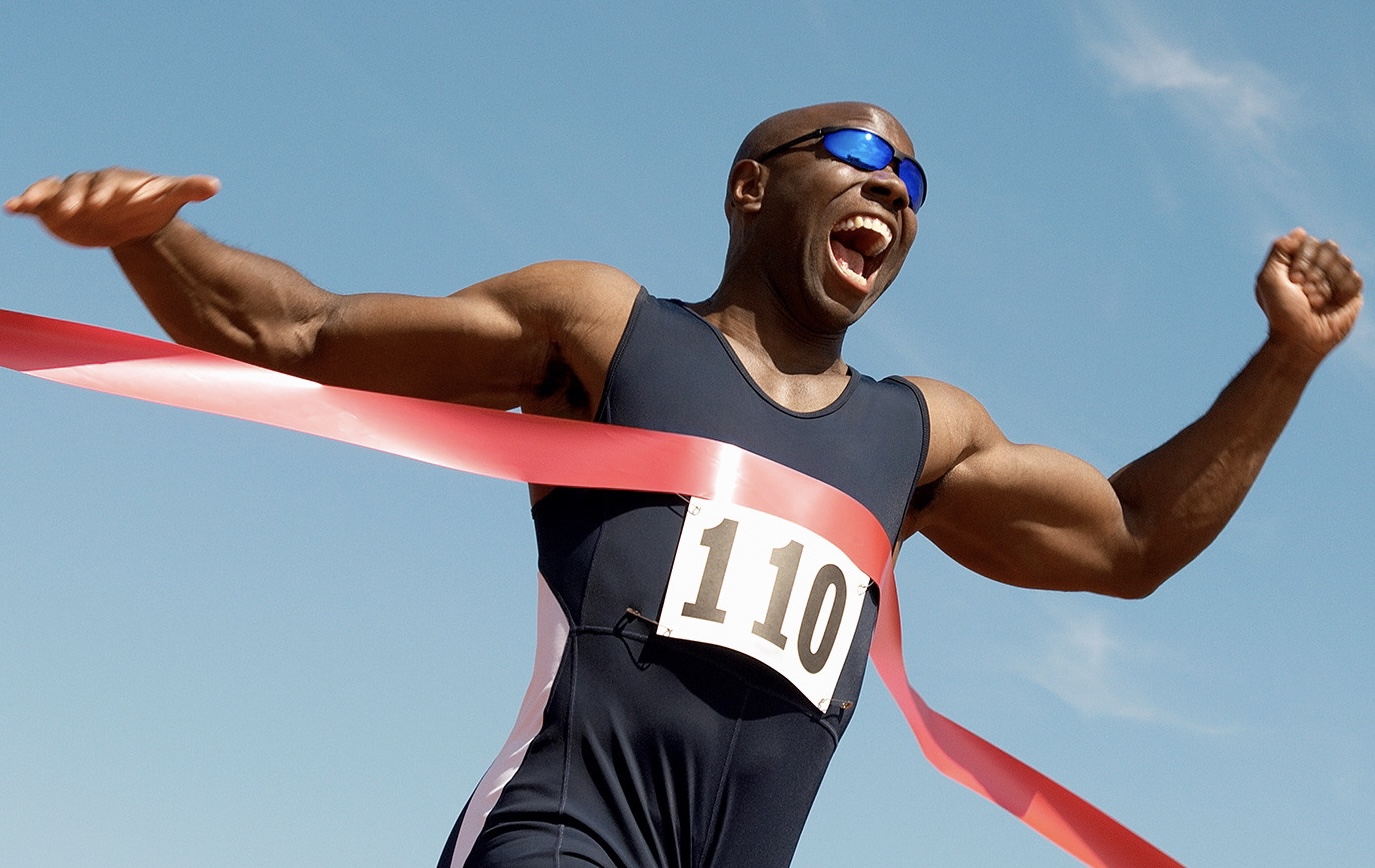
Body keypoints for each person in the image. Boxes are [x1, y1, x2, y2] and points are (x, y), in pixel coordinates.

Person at [6, 101, 1363, 867]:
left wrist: (1283, 365)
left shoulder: (921, 438)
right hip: (557, 841)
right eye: (862, 154)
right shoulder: (607, 331)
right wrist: (153, 240)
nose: (895, 185)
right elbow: (296, 334)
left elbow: (1126, 540)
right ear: (749, 187)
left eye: (917, 179)